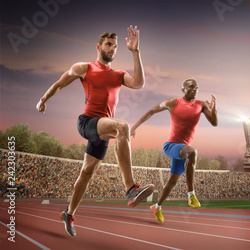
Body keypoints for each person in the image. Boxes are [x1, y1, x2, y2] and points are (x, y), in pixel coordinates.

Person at [36, 25, 154, 236]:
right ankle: (130, 189)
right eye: (109, 45)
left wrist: (136, 52)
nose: (112, 49)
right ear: (98, 46)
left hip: (103, 130)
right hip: (88, 122)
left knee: (87, 172)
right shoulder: (85, 67)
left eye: (116, 46)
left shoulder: (119, 74)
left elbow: (138, 84)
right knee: (122, 127)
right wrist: (44, 99)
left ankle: (68, 213)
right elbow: (59, 84)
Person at [131, 78, 218, 223]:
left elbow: (214, 122)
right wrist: (134, 127)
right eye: (191, 87)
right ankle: (191, 195)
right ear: (183, 89)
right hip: (171, 146)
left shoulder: (200, 104)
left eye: (196, 88)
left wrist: (214, 108)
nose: (194, 90)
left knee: (172, 182)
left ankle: (157, 207)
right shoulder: (173, 102)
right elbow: (151, 111)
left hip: (182, 152)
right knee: (192, 152)